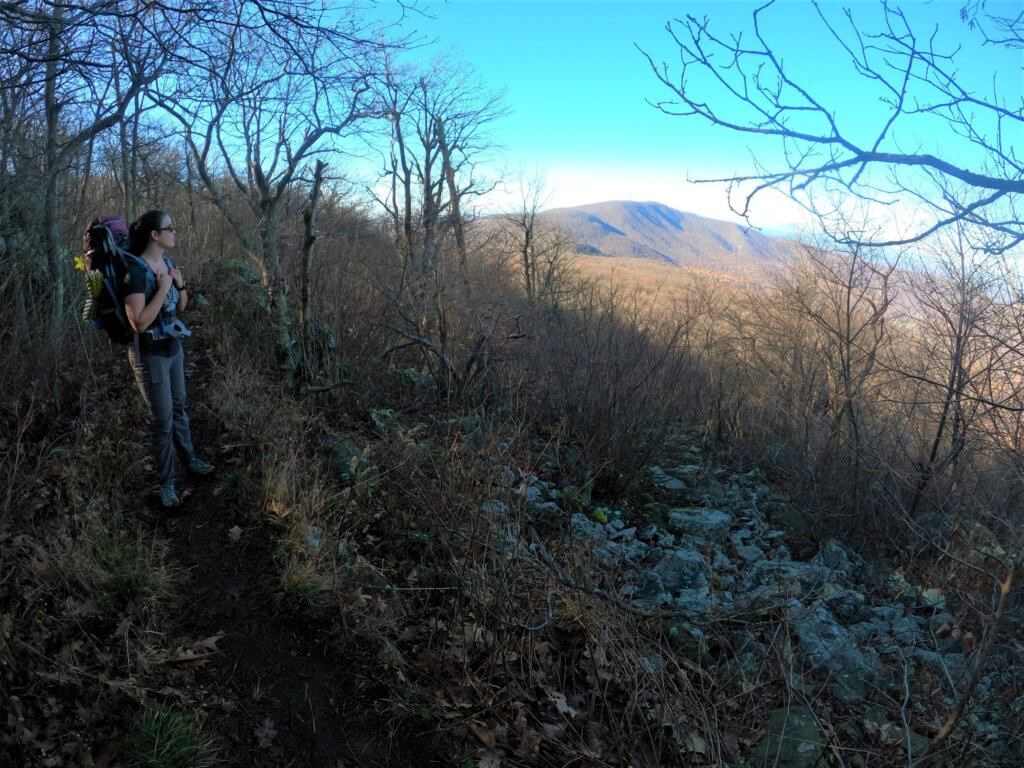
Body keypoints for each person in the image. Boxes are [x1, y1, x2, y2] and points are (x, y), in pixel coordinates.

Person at [124, 210, 214, 508]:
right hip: (150, 356)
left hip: (173, 348)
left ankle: (189, 460)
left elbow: (181, 307)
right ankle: (167, 484)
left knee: (179, 408)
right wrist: (163, 288)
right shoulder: (134, 271)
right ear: (154, 234)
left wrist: (180, 284)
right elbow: (139, 322)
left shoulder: (168, 263)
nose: (174, 232)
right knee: (162, 421)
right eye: (170, 228)